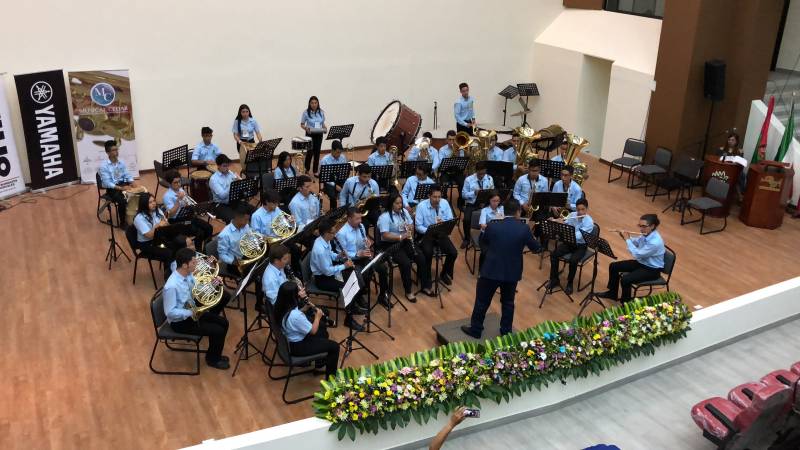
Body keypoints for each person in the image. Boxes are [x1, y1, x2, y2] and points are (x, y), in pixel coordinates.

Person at [461, 198, 541, 338]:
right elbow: (536, 248)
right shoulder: (524, 229)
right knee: (508, 303)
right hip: (512, 272)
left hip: (491, 269)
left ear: (504, 211)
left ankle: (476, 330)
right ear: (518, 211)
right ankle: (506, 332)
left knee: (482, 301)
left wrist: (491, 253)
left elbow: (482, 242)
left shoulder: (493, 225)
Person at [163, 248, 231, 370]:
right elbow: (170, 312)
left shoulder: (188, 275)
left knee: (224, 323)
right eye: (194, 263)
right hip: (180, 322)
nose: (197, 265)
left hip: (193, 312)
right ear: (185, 265)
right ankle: (213, 360)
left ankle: (214, 354)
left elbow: (198, 288)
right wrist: (191, 312)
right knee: (218, 330)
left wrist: (213, 284)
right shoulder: (172, 286)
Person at [273, 281, 339, 378]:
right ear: (294, 296)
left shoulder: (280, 306)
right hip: (298, 346)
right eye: (298, 292)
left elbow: (291, 315)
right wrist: (318, 317)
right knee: (334, 347)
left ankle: (320, 364)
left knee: (323, 332)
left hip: (290, 339)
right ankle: (331, 381)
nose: (300, 293)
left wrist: (304, 308)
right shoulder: (296, 316)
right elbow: (313, 331)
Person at [311, 219, 365, 331]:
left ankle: (352, 306)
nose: (335, 235)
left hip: (329, 273)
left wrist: (339, 255)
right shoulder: (319, 249)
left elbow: (330, 254)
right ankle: (348, 319)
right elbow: (327, 271)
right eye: (333, 233)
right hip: (323, 279)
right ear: (326, 233)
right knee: (349, 286)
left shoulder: (324, 241)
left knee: (354, 279)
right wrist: (344, 266)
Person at [598, 214, 665, 303]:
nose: (641, 229)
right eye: (639, 226)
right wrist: (625, 237)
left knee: (626, 280)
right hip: (642, 263)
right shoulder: (646, 234)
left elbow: (637, 254)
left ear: (652, 226)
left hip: (652, 270)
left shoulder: (655, 242)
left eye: (643, 226)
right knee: (613, 266)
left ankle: (625, 304)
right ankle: (612, 293)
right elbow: (636, 243)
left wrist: (627, 240)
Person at [336, 207, 390, 308]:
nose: (360, 221)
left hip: (363, 258)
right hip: (350, 262)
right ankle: (359, 296)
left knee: (383, 268)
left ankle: (383, 295)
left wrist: (367, 243)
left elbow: (364, 240)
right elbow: (341, 255)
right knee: (362, 274)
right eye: (357, 219)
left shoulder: (360, 226)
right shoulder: (342, 233)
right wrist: (357, 254)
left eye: (360, 218)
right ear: (349, 219)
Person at [378, 192, 427, 302]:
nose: (400, 205)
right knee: (406, 263)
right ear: (391, 204)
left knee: (421, 257)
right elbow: (385, 235)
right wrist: (400, 236)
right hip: (391, 245)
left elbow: (411, 225)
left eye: (401, 203)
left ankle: (425, 285)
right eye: (397, 203)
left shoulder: (404, 212)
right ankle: (408, 291)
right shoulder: (384, 217)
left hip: (405, 240)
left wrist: (410, 228)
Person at [415, 185, 457, 296]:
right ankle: (426, 283)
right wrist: (430, 230)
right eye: (434, 197)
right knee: (427, 254)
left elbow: (450, 220)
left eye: (439, 197)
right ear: (429, 196)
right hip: (426, 235)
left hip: (441, 234)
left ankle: (444, 274)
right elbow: (418, 226)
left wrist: (443, 223)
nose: (437, 199)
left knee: (453, 253)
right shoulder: (421, 206)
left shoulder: (444, 203)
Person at [546, 198, 594, 295]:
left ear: (587, 209)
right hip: (569, 243)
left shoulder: (589, 222)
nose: (580, 212)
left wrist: (565, 228)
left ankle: (570, 283)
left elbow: (578, 236)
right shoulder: (572, 215)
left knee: (573, 260)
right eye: (578, 209)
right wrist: (556, 221)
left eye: (583, 209)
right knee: (554, 254)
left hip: (581, 245)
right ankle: (554, 279)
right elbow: (565, 224)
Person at [162, 169, 213, 250]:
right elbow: (170, 214)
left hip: (187, 217)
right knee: (200, 232)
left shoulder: (181, 190)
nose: (179, 184)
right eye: (175, 182)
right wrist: (178, 200)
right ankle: (198, 252)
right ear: (169, 183)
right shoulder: (167, 196)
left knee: (209, 227)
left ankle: (205, 250)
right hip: (177, 222)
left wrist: (192, 206)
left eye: (179, 181)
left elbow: (187, 204)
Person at [132, 193, 174, 278]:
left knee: (178, 244)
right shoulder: (139, 218)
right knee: (168, 252)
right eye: (150, 202)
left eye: (154, 201)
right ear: (144, 204)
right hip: (146, 244)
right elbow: (149, 236)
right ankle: (169, 277)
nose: (154, 203)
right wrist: (158, 225)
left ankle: (176, 272)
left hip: (159, 238)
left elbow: (167, 224)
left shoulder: (157, 211)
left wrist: (166, 223)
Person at [98, 139, 137, 226]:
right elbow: (107, 183)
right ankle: (123, 223)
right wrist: (121, 188)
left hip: (123, 184)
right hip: (112, 189)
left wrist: (132, 181)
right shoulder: (103, 166)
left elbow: (127, 174)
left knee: (138, 194)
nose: (116, 152)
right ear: (108, 153)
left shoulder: (121, 162)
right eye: (113, 150)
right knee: (123, 201)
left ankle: (134, 219)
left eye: (117, 149)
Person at [460, 161, 494, 248]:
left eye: (483, 173)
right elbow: (463, 195)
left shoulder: (489, 178)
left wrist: (487, 201)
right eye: (480, 174)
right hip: (472, 204)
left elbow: (493, 193)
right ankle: (467, 239)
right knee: (466, 220)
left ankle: (490, 237)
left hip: (486, 204)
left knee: (495, 218)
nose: (482, 176)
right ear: (476, 171)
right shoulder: (468, 180)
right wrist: (474, 193)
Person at [340, 164, 381, 230]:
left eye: (369, 176)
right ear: (358, 174)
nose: (367, 179)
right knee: (364, 225)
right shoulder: (350, 182)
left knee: (379, 222)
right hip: (353, 209)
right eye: (364, 177)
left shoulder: (374, 184)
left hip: (369, 209)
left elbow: (377, 200)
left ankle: (378, 239)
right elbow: (343, 195)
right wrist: (343, 209)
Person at [209, 154, 242, 223]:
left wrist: (240, 182)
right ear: (218, 166)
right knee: (234, 220)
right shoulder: (214, 179)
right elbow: (222, 196)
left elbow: (237, 188)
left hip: (232, 201)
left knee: (251, 211)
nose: (227, 168)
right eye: (224, 166)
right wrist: (233, 183)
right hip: (220, 205)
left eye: (228, 165)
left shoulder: (229, 173)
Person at [217, 206, 252, 271]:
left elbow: (250, 237)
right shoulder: (224, 235)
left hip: (247, 256)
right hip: (235, 264)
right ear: (237, 217)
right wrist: (234, 262)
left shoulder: (245, 226)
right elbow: (222, 255)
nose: (247, 223)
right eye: (245, 220)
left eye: (248, 220)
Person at [300, 96, 327, 175]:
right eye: (312, 103)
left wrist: (325, 128)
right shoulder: (306, 113)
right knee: (310, 152)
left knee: (317, 152)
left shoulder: (321, 112)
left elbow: (322, 123)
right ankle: (307, 169)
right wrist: (306, 128)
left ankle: (315, 171)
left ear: (318, 103)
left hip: (319, 134)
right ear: (309, 104)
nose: (314, 104)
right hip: (310, 134)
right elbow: (302, 124)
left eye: (315, 103)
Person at [260, 244, 293, 308]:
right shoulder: (270, 278)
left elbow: (284, 281)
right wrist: (294, 295)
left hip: (286, 297)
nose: (287, 261)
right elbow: (276, 302)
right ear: (276, 261)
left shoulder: (279, 266)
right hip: (282, 309)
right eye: (285, 259)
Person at [319, 140, 348, 209]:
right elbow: (325, 177)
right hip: (329, 181)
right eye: (337, 152)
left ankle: (345, 208)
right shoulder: (324, 160)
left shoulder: (342, 157)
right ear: (332, 150)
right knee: (332, 196)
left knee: (348, 189)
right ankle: (333, 211)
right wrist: (335, 186)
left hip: (340, 178)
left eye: (340, 152)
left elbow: (344, 172)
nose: (339, 155)